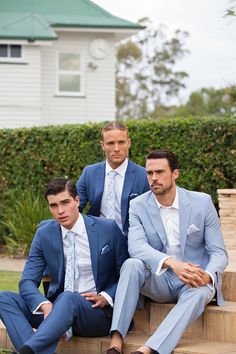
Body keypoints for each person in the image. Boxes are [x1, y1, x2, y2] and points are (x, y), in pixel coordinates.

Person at [105, 149, 228, 354]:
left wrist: (207, 275)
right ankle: (115, 343)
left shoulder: (202, 202)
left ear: (175, 173)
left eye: (160, 172)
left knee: (199, 293)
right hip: (159, 278)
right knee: (131, 264)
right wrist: (172, 263)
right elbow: (136, 246)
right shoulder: (137, 205)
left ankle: (148, 349)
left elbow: (219, 252)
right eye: (149, 173)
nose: (153, 178)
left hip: (194, 279)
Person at [0, 177, 129, 354]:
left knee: (68, 297)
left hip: (94, 313)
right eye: (53, 206)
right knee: (4, 298)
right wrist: (45, 305)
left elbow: (126, 273)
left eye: (65, 202)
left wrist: (106, 296)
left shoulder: (108, 229)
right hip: (54, 312)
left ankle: (27, 351)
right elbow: (27, 281)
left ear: (77, 201)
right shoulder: (44, 234)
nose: (60, 210)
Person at [76, 121, 149, 237]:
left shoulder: (144, 175)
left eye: (121, 142)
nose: (116, 148)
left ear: (129, 143)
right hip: (97, 239)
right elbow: (75, 206)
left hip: (131, 241)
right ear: (102, 145)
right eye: (110, 143)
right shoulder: (89, 173)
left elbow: (151, 216)